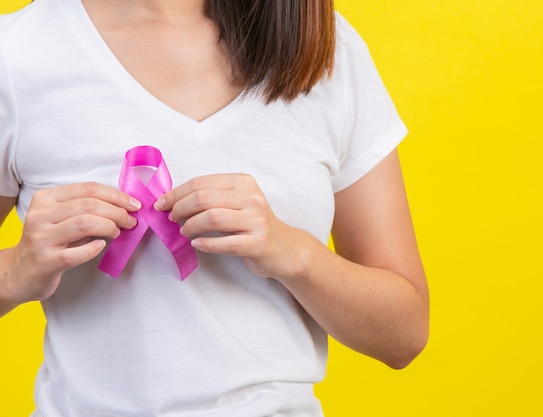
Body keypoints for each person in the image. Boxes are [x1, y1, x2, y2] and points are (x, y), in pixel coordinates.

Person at [0, 0, 429, 415]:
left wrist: (293, 253)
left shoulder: (324, 52)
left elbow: (404, 334)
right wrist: (16, 271)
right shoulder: (17, 55)